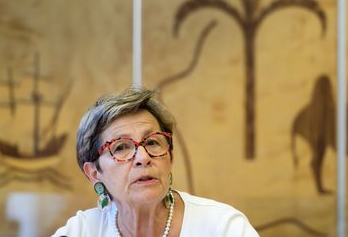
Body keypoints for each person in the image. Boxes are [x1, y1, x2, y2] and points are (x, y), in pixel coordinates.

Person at [53, 88, 259, 237]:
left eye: (152, 142)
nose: (143, 158)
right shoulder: (81, 231)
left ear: (170, 156)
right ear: (94, 173)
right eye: (121, 147)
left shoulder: (223, 227)